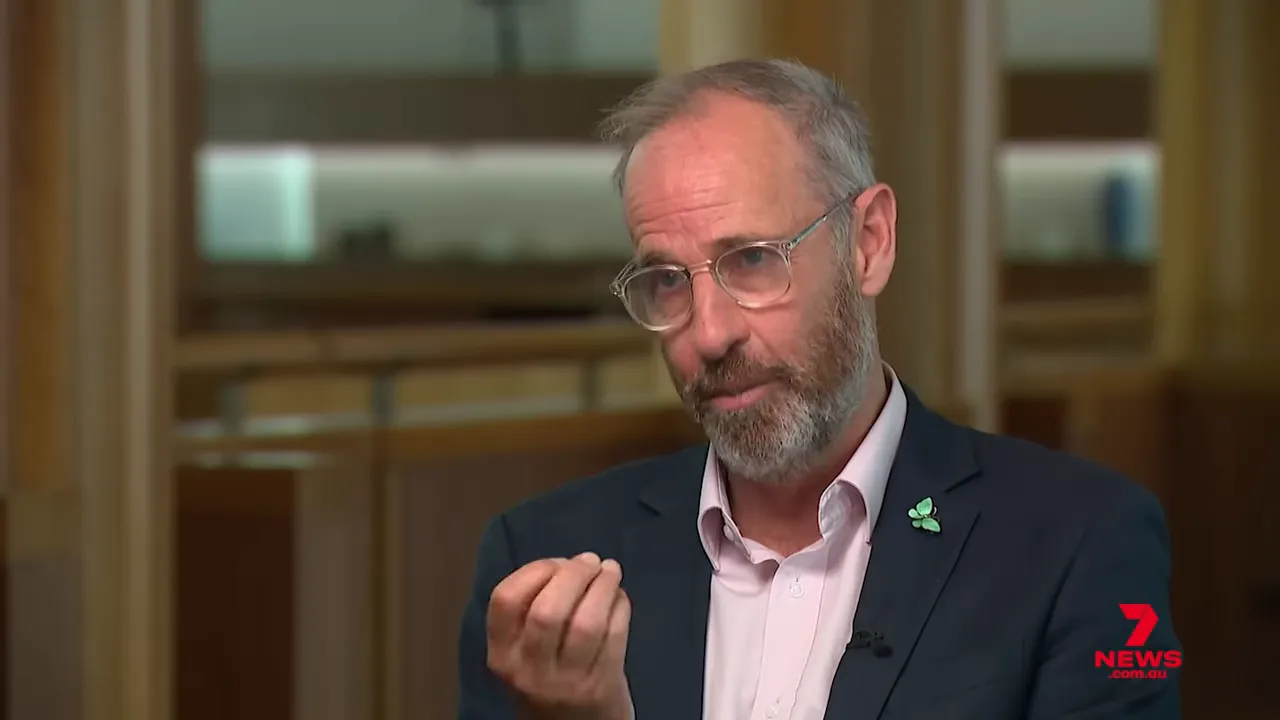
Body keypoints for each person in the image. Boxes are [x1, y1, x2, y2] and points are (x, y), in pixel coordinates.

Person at [456, 59, 1181, 720]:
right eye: (668, 280)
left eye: (752, 260)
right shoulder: (543, 567)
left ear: (868, 243)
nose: (709, 334)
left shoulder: (1082, 543)